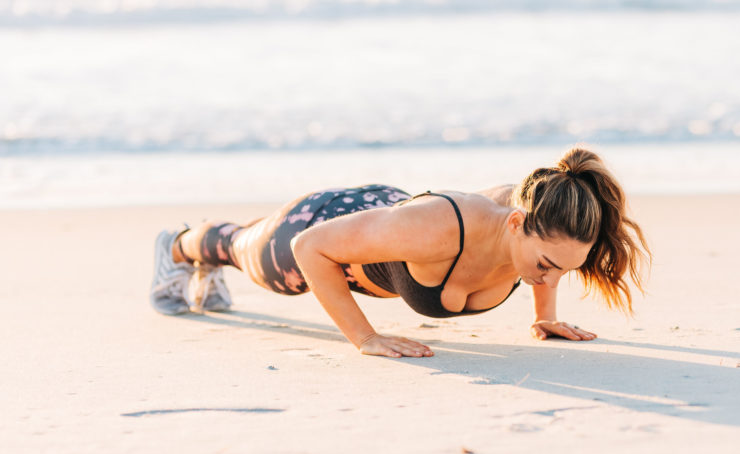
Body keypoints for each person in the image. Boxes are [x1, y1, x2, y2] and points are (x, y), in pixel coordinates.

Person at [150, 146, 650, 358]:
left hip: (387, 222)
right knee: (246, 251)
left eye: (562, 270)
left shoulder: (534, 217)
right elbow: (310, 246)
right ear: (516, 225)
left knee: (247, 251)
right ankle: (178, 246)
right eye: (544, 267)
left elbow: (556, 259)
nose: (548, 277)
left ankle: (201, 265)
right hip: (322, 223)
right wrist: (364, 337)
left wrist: (546, 317)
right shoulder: (442, 227)